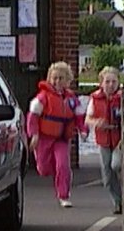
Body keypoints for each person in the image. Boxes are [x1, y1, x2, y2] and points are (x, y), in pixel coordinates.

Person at [26, 61, 88, 208]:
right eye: (54, 78)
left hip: (61, 139)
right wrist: (34, 135)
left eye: (61, 78)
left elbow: (79, 117)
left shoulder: (72, 99)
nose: (57, 81)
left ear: (67, 80)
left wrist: (83, 130)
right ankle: (53, 170)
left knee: (63, 165)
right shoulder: (43, 97)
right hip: (44, 138)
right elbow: (33, 117)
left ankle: (63, 195)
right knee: (43, 168)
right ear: (49, 79)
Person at [85, 66, 122, 214]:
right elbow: (87, 118)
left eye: (114, 81)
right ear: (101, 83)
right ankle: (118, 202)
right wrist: (96, 123)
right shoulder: (95, 99)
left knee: (116, 165)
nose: (110, 85)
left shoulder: (122, 99)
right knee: (106, 175)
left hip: (120, 139)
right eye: (107, 81)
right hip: (103, 140)